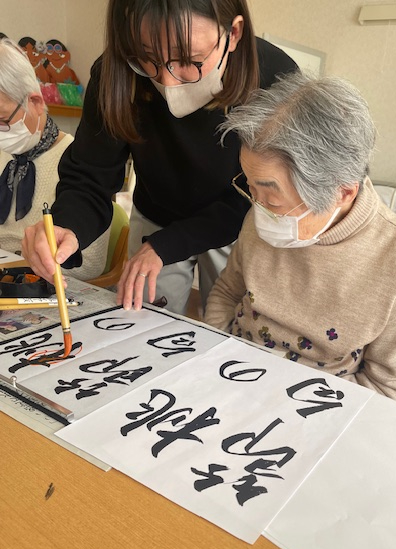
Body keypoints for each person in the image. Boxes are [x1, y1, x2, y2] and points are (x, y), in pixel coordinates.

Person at [21, 0, 297, 314]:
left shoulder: (276, 78)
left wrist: (168, 244)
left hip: (239, 219)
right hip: (157, 213)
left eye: (189, 60)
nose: (168, 82)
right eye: (148, 59)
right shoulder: (117, 70)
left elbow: (260, 194)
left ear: (233, 33)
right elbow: (90, 174)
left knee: (233, 321)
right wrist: (67, 226)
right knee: (142, 318)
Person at [204, 72, 396, 401]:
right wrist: (218, 355)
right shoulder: (261, 208)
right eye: (251, 190)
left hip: (314, 404)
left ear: (342, 193)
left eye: (272, 200)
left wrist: (287, 404)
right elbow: (227, 292)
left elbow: (385, 386)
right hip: (232, 370)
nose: (257, 209)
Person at [0, 38, 109, 280]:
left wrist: (22, 265)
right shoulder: (2, 156)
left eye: (2, 120)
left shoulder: (80, 166)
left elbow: (90, 263)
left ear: (36, 102)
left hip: (46, 285)